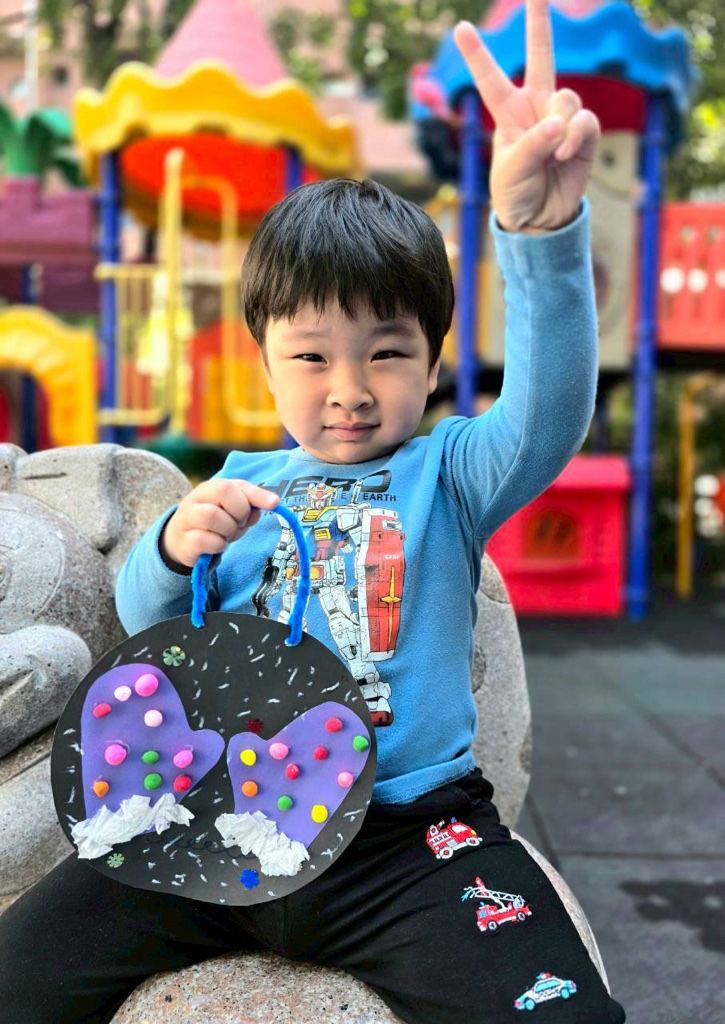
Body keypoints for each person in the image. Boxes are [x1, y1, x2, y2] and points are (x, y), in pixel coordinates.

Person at [0, 3, 626, 1020]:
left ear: (432, 362)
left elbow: (549, 410)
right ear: (265, 361)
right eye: (311, 355)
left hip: (409, 845)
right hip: (213, 821)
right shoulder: (242, 486)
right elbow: (150, 622)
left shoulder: (451, 472)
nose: (349, 388)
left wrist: (540, 233)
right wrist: (170, 549)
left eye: (386, 352)